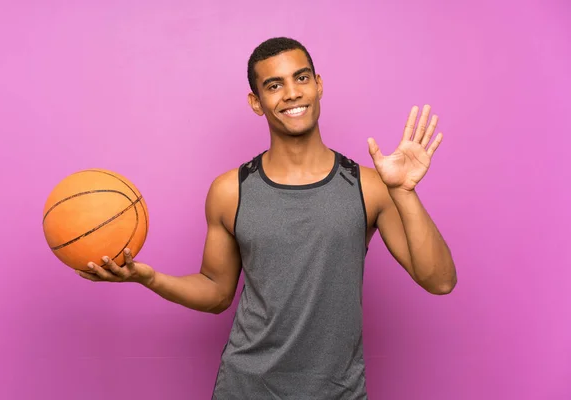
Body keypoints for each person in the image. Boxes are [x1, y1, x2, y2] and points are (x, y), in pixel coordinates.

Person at [77, 37, 457, 399]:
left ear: (318, 85)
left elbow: (439, 281)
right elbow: (216, 293)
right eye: (274, 85)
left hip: (338, 392)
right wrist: (150, 278)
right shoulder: (230, 191)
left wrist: (404, 193)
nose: (292, 93)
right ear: (256, 102)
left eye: (301, 78)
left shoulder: (368, 186)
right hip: (245, 388)